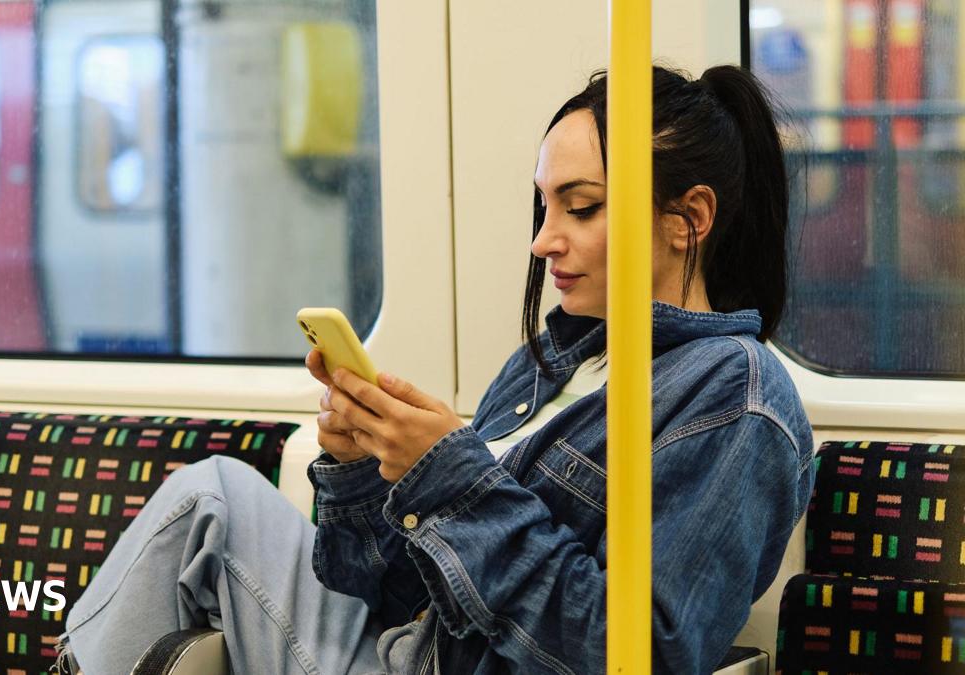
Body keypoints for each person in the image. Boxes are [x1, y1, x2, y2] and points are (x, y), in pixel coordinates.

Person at [55, 64, 813, 674]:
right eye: (542, 207)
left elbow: (637, 653)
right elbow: (390, 593)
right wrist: (361, 467)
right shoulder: (545, 368)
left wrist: (451, 475)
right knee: (210, 497)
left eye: (579, 208)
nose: (543, 240)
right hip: (404, 646)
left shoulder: (735, 396)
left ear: (689, 220)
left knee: (207, 498)